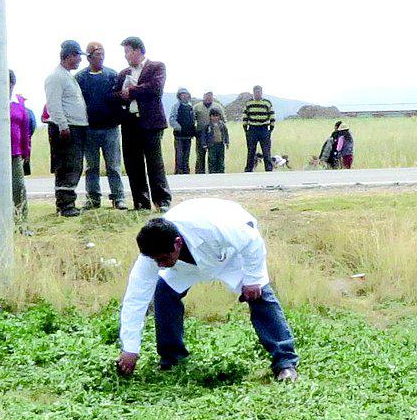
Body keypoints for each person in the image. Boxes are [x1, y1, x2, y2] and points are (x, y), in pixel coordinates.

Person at [115, 199, 299, 382]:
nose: (160, 265)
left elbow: (251, 241)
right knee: (163, 292)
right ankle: (172, 360)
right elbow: (135, 300)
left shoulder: (213, 225)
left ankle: (285, 363)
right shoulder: (153, 252)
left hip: (231, 253)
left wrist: (252, 279)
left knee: (260, 295)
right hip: (185, 266)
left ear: (177, 243)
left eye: (163, 258)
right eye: (156, 261)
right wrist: (130, 349)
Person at [117, 36, 171, 210]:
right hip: (130, 123)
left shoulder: (156, 67)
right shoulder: (123, 73)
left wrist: (131, 91)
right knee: (133, 164)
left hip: (150, 123)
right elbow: (116, 94)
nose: (125, 56)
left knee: (154, 162)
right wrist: (122, 95)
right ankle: (141, 202)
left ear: (137, 50)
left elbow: (155, 89)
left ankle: (162, 200)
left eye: (127, 51)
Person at [74, 42, 127, 210]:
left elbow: (119, 99)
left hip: (110, 128)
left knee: (113, 165)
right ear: (88, 57)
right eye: (97, 53)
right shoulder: (80, 78)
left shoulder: (112, 75)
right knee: (91, 167)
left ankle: (118, 197)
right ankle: (93, 198)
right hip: (89, 129)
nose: (101, 56)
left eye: (103, 53)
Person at [45, 40, 90, 218]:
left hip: (76, 127)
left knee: (74, 166)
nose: (80, 60)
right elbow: (54, 105)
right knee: (68, 166)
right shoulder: (56, 77)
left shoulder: (67, 76)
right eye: (78, 56)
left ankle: (67, 203)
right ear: (69, 56)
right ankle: (65, 205)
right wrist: (63, 126)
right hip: (66, 128)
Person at [8, 71, 35, 226]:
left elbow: (25, 128)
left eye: (10, 84)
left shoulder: (19, 102)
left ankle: (21, 222)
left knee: (19, 188)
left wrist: (27, 150)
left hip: (15, 153)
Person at [242, 86, 276, 173]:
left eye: (259, 92)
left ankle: (268, 169)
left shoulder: (267, 103)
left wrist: (270, 128)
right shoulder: (249, 103)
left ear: (261, 92)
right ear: (253, 93)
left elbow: (271, 115)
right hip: (252, 129)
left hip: (264, 129)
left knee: (266, 151)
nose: (258, 94)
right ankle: (249, 169)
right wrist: (246, 128)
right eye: (256, 92)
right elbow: (245, 116)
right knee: (251, 151)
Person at [169, 88, 197, 175]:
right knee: (179, 155)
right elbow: (172, 119)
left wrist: (193, 131)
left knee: (186, 155)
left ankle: (186, 172)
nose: (184, 96)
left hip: (188, 136)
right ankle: (178, 172)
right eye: (182, 94)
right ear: (179, 96)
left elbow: (192, 120)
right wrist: (179, 128)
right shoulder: (176, 106)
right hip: (179, 136)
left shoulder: (190, 106)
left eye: (186, 94)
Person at [192, 92, 219, 173]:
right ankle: (200, 174)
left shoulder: (217, 107)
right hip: (200, 134)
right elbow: (192, 120)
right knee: (200, 156)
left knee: (213, 156)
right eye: (207, 96)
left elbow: (223, 120)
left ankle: (214, 173)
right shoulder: (197, 107)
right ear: (203, 96)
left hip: (214, 135)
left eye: (210, 96)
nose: (208, 98)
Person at [200, 106, 229, 174]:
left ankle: (221, 173)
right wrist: (204, 144)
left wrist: (227, 142)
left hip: (221, 145)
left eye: (217, 116)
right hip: (212, 145)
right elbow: (204, 135)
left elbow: (226, 133)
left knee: (221, 159)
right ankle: (212, 173)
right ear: (210, 116)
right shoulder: (207, 126)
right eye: (213, 116)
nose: (215, 118)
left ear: (219, 116)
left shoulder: (222, 125)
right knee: (212, 160)